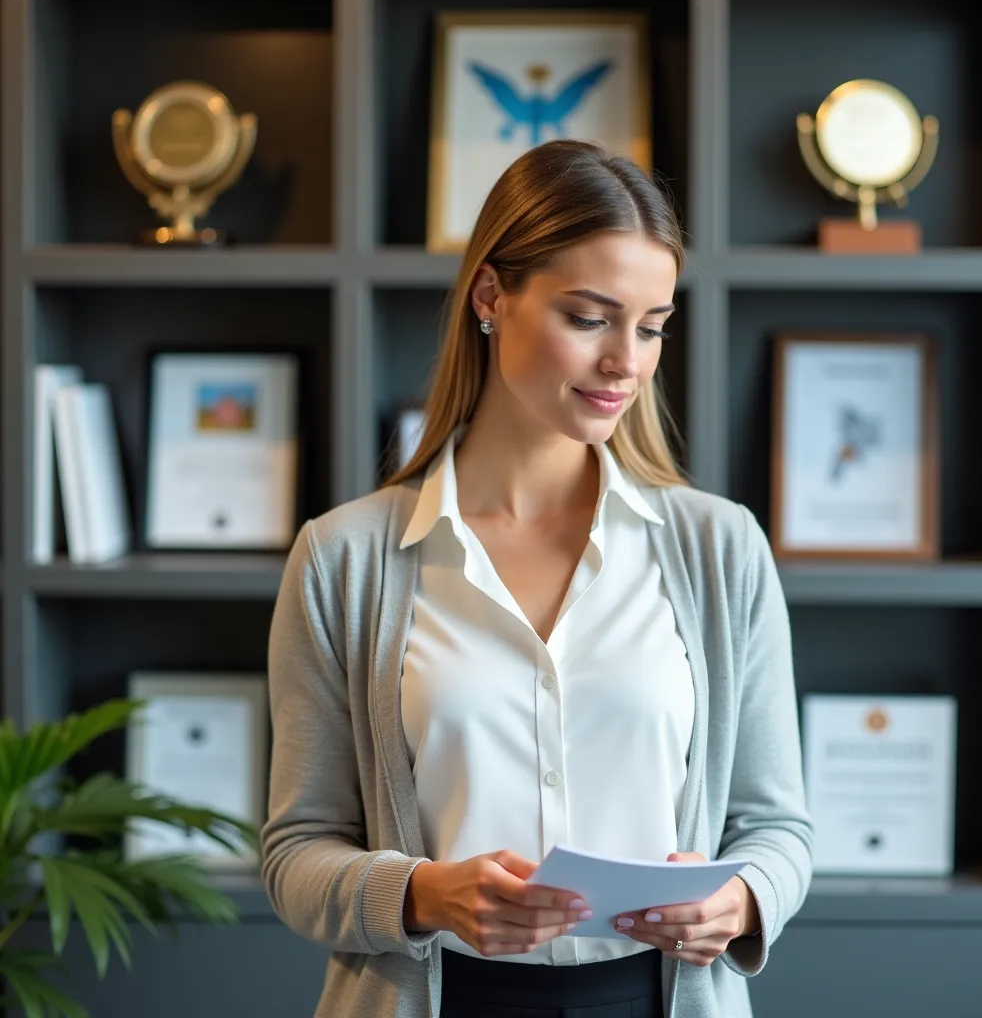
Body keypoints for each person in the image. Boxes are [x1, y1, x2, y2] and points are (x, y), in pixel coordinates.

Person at [261, 138, 813, 1018]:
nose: (625, 363)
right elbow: (296, 853)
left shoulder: (722, 549)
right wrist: (424, 894)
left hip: (659, 998)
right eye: (590, 318)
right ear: (491, 296)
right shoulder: (345, 558)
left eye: (652, 326)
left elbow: (777, 827)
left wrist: (742, 901)